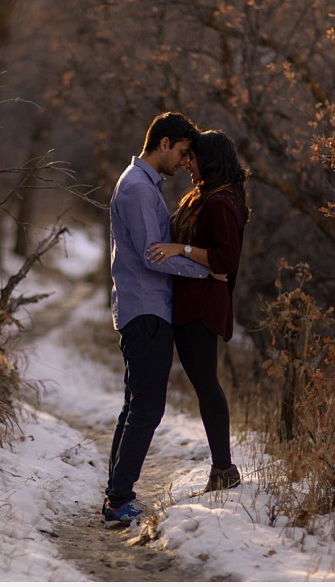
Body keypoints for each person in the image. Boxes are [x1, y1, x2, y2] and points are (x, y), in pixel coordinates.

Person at [104, 112, 211, 526]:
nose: (184, 162)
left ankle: (115, 496)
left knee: (135, 406)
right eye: (182, 152)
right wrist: (206, 269)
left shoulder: (143, 186)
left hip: (144, 308)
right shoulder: (136, 189)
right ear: (163, 143)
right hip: (146, 309)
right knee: (147, 409)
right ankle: (118, 502)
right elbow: (154, 255)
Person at [146, 130, 250, 493]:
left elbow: (226, 259)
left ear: (210, 160)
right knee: (204, 383)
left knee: (206, 384)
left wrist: (182, 250)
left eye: (193, 158)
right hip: (192, 299)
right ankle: (223, 468)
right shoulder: (205, 195)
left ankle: (224, 469)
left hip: (204, 304)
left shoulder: (222, 202)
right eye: (186, 156)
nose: (187, 164)